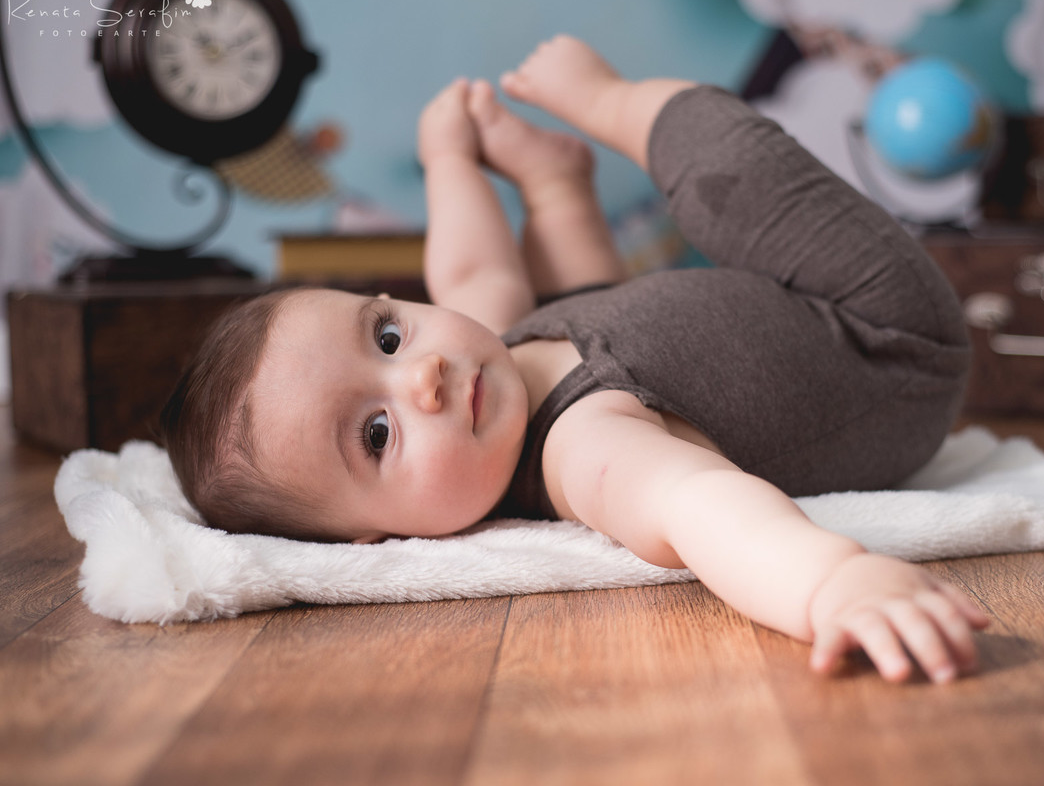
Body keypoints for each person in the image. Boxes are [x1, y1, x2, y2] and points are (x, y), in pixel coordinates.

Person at [161, 36, 990, 684]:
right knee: (735, 175)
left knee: (532, 303)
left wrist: (449, 159)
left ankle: (556, 189)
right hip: (884, 336)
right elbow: (701, 506)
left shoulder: (475, 371)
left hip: (701, 309)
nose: (423, 377)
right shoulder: (584, 452)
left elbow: (472, 271)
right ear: (374, 540)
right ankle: (618, 102)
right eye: (376, 434)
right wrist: (833, 584)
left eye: (385, 336)